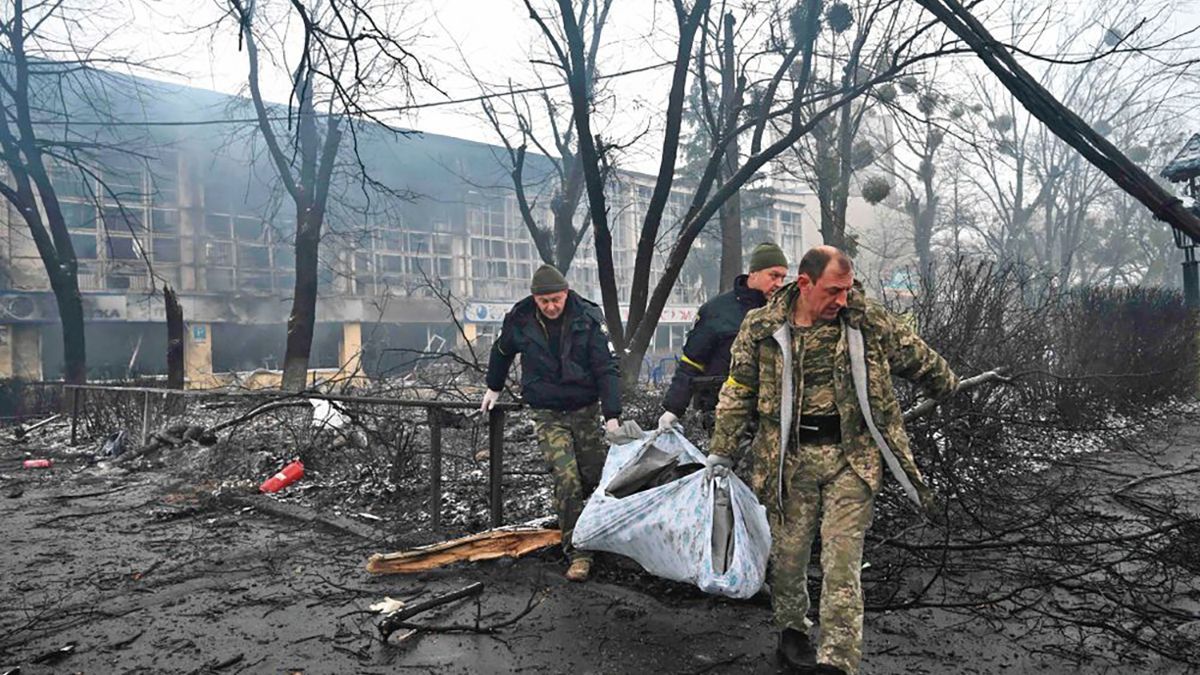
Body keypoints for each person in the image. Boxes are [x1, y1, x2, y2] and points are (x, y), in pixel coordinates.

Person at [705, 246, 958, 675]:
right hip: (789, 460)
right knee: (788, 557)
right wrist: (722, 450)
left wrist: (948, 384)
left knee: (842, 561)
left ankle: (837, 661)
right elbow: (738, 390)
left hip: (851, 459)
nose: (842, 299)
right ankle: (792, 634)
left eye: (847, 289)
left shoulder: (865, 320)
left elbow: (914, 354)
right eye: (834, 290)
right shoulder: (763, 326)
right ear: (804, 284)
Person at [480, 264, 621, 582]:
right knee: (567, 480)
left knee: (597, 478)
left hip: (585, 409)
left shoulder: (587, 318)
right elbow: (501, 351)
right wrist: (494, 386)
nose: (551, 306)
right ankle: (579, 553)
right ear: (535, 299)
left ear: (566, 294)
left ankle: (606, 537)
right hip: (546, 412)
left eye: (556, 299)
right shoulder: (521, 318)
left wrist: (612, 416)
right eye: (544, 301)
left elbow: (606, 368)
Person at [657, 242, 790, 433]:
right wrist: (673, 409)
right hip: (723, 414)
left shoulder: (782, 313)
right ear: (754, 273)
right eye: (774, 275)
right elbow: (692, 363)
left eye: (783, 277)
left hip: (772, 416)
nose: (779, 284)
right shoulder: (717, 311)